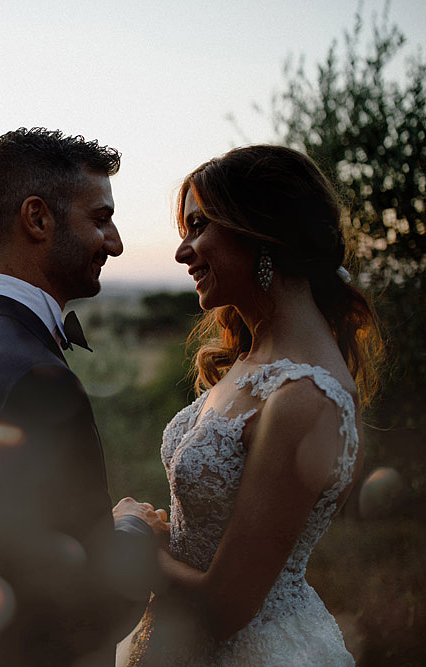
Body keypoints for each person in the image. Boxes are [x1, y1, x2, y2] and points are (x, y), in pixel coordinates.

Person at [0, 127, 168, 667]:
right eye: (100, 218)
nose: (116, 242)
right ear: (37, 219)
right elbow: (88, 608)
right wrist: (136, 530)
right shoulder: (36, 375)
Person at [121, 145, 383, 666]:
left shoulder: (306, 397)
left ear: (260, 233)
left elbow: (227, 607)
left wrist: (141, 550)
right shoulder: (252, 357)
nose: (183, 251)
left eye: (199, 226)